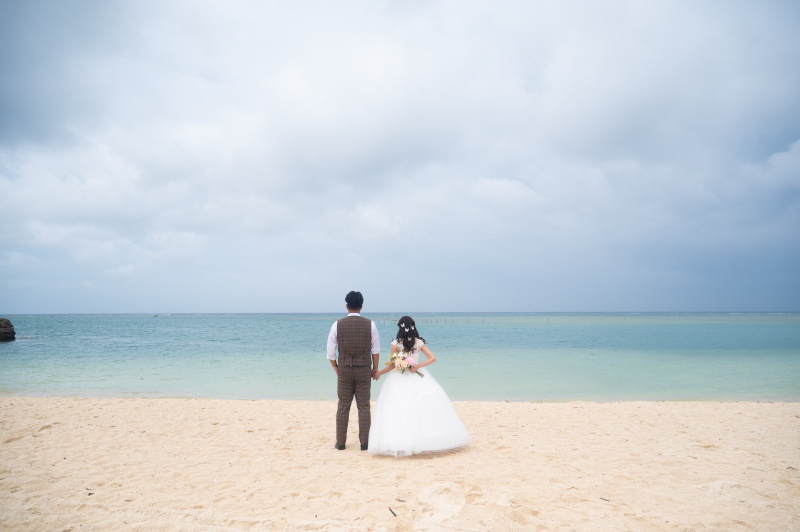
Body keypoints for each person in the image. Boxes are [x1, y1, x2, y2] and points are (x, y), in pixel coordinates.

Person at [368, 315, 470, 457]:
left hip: (398, 378)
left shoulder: (395, 344)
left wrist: (378, 373)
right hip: (417, 376)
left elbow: (393, 365)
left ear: (400, 328)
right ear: (413, 327)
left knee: (399, 408)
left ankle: (400, 441)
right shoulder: (419, 342)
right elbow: (432, 358)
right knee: (422, 408)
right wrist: (417, 366)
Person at [326, 291, 380, 450]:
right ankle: (365, 443)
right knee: (364, 406)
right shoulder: (370, 324)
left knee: (343, 406)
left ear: (346, 306)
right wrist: (375, 368)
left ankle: (340, 443)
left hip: (344, 369)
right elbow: (375, 350)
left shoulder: (337, 325)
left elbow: (330, 352)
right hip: (364, 370)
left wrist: (336, 367)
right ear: (361, 306)